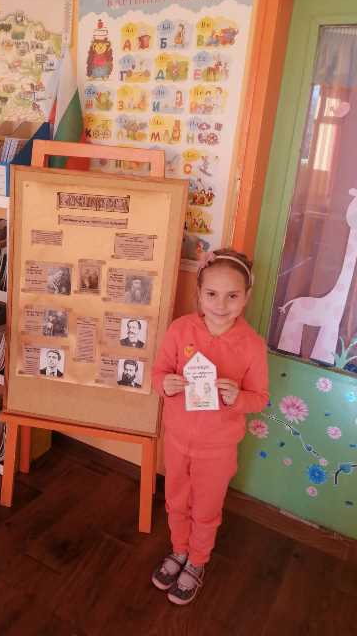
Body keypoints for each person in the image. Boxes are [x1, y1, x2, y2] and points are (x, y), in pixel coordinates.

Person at [151, 248, 268, 605]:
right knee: (176, 500)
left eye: (232, 296)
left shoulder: (252, 345)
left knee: (206, 509)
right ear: (199, 294)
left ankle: (197, 561)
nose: (221, 304)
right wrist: (165, 383)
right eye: (212, 294)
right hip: (177, 439)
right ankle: (179, 549)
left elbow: (260, 398)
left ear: (247, 297)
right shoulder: (180, 329)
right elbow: (158, 373)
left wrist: (238, 397)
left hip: (218, 449)